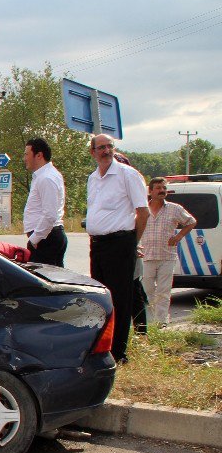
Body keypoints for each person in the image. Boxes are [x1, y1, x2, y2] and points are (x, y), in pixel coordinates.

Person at [86, 134, 150, 362]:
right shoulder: (93, 178)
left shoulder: (127, 174)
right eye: (101, 147)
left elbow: (143, 212)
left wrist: (133, 243)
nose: (106, 151)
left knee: (120, 299)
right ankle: (103, 346)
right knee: (102, 298)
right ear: (93, 152)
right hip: (98, 244)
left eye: (109, 146)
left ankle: (118, 352)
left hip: (120, 243)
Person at [141, 177, 197, 325]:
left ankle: (161, 322)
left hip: (167, 256)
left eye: (164, 188)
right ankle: (152, 319)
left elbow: (191, 221)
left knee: (164, 291)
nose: (162, 191)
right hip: (146, 255)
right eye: (158, 188)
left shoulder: (174, 208)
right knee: (147, 290)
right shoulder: (143, 209)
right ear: (150, 191)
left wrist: (179, 236)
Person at [22, 138, 67, 266]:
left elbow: (50, 215)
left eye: (26, 154)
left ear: (39, 155)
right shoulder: (42, 176)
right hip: (45, 237)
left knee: (44, 283)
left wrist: (35, 239)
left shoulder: (47, 178)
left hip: (46, 239)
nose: (24, 158)